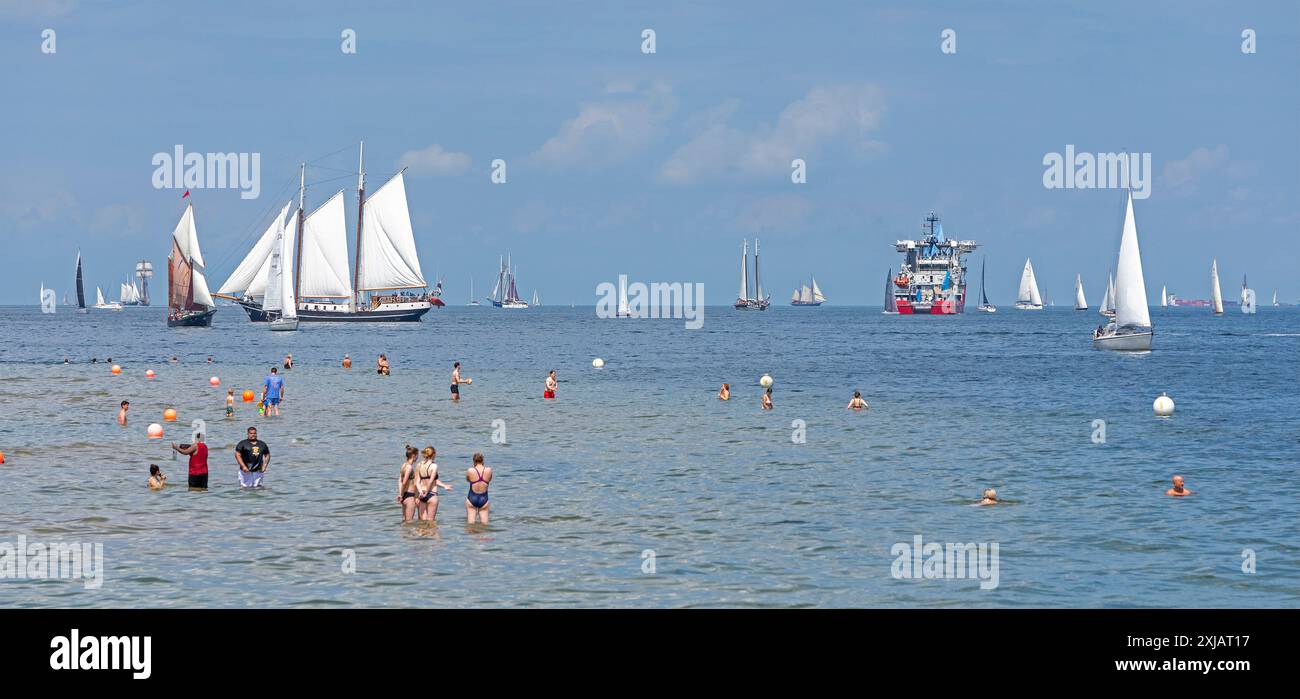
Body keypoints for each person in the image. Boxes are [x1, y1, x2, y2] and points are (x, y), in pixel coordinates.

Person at [414, 447, 453, 522]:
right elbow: (431, 481)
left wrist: (421, 492)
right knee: (431, 522)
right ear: (433, 454)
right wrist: (427, 493)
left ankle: (421, 534)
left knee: (422, 523)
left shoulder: (419, 464)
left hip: (422, 494)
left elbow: (417, 481)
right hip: (431, 494)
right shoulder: (434, 466)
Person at [465, 452, 492, 524]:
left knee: (471, 524)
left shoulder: (470, 470)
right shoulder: (489, 470)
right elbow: (489, 479)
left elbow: (468, 480)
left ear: (474, 461)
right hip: (484, 498)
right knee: (485, 525)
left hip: (472, 497)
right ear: (483, 460)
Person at [397, 445, 420, 522]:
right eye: (417, 456)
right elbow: (404, 482)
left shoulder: (404, 465)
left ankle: (403, 534)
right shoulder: (409, 467)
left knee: (405, 521)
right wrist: (400, 495)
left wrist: (400, 494)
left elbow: (400, 480)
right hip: (410, 496)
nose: (417, 458)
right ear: (413, 455)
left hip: (404, 495)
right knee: (409, 522)